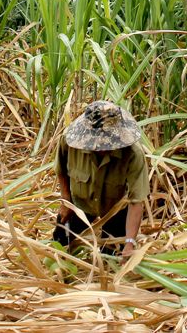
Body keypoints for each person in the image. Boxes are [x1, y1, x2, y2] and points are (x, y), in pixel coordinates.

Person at [54, 100, 149, 257]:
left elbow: (136, 201)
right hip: (79, 204)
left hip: (114, 209)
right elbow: (61, 169)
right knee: (60, 247)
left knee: (111, 256)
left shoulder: (133, 154)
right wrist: (66, 201)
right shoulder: (69, 141)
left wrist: (130, 242)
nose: (101, 148)